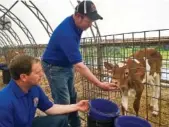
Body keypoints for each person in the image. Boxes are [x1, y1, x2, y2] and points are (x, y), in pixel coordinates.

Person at [41, 1, 117, 127]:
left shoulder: (77, 24)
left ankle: (75, 123)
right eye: (89, 21)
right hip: (54, 67)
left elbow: (76, 62)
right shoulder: (67, 33)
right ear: (78, 16)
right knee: (63, 101)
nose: (91, 25)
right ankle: (61, 123)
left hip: (66, 65)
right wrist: (99, 84)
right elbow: (79, 66)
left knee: (72, 96)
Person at [0, 55, 88, 127]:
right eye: (37, 72)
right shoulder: (4, 102)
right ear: (23, 77)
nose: (42, 75)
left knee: (61, 120)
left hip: (28, 124)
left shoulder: (34, 88)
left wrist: (77, 106)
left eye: (41, 71)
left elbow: (50, 108)